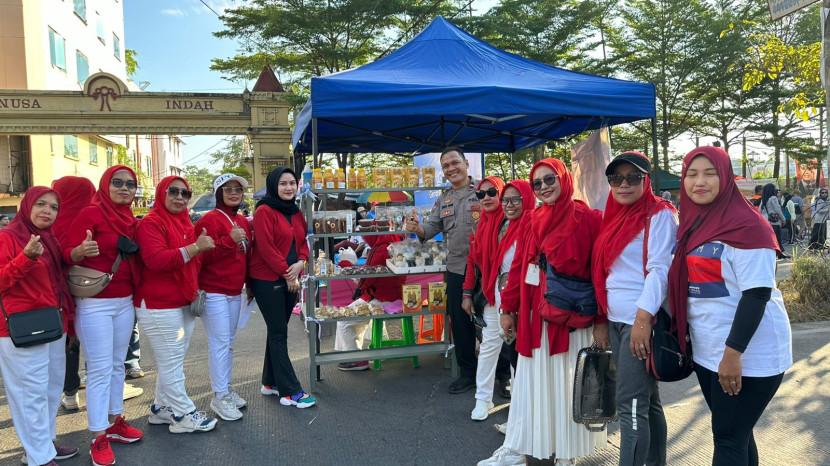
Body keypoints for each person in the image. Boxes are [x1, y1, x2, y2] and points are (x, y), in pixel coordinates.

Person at [479, 159, 607, 466]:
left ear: (563, 178)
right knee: (533, 384)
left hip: (573, 320)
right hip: (536, 318)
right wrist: (508, 308)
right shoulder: (532, 219)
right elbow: (519, 268)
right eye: (537, 183)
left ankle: (567, 451)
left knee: (568, 384)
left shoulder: (589, 218)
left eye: (550, 179)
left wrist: (602, 321)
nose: (544, 187)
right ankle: (523, 447)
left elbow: (600, 272)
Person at [669, 146, 792, 466]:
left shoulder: (748, 226)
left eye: (710, 173)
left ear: (725, 178)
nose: (700, 182)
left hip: (748, 353)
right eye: (692, 174)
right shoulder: (693, 223)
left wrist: (732, 355)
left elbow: (756, 295)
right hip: (708, 350)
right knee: (737, 434)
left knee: (727, 438)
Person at [592, 152, 677, 466]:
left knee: (629, 405)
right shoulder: (614, 216)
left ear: (646, 180)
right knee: (647, 401)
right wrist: (601, 319)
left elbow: (660, 270)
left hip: (639, 321)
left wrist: (643, 320)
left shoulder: (659, 214)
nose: (624, 184)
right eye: (616, 178)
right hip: (616, 318)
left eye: (633, 177)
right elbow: (606, 273)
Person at [60, 167, 144, 465]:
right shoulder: (91, 213)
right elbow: (66, 252)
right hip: (94, 303)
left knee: (117, 365)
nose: (124, 188)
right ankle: (98, 435)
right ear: (105, 185)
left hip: (124, 301)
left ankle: (115, 420)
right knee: (99, 369)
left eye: (130, 184)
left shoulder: (130, 219)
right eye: (117, 183)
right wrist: (80, 251)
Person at [0, 186, 79, 466]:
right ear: (27, 205)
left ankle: (43, 444)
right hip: (20, 328)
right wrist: (26, 257)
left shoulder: (49, 238)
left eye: (54, 207)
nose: (47, 211)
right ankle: (38, 456)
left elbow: (57, 281)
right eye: (41, 204)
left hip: (52, 323)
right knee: (29, 394)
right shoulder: (8, 237)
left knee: (50, 389)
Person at [135, 176, 219, 433]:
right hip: (159, 304)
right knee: (172, 361)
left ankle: (161, 408)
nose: (180, 197)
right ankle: (184, 414)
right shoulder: (151, 223)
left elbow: (195, 260)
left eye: (185, 193)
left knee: (173, 360)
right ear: (162, 193)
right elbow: (156, 260)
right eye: (173, 191)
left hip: (182, 300)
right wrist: (195, 248)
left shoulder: (184, 223)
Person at [405, 147, 481, 394]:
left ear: (466, 163)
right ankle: (468, 373)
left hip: (485, 269)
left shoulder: (484, 190)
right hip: (457, 269)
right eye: (446, 166)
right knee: (460, 323)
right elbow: (429, 229)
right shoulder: (444, 199)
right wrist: (416, 227)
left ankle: (502, 374)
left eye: (454, 163)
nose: (451, 168)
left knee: (491, 322)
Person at [249, 167, 316, 408]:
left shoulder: (295, 212)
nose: (288, 188)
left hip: (292, 276)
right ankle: (290, 391)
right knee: (279, 333)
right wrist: (289, 274)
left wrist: (301, 262)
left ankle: (270, 382)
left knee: (277, 330)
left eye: (292, 183)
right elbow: (266, 248)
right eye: (283, 183)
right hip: (268, 279)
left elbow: (303, 242)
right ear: (273, 185)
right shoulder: (264, 211)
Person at [194, 173, 252, 421]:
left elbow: (247, 255)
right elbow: (201, 256)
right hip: (213, 291)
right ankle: (219, 396)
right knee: (219, 343)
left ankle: (226, 390)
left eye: (238, 189)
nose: (234, 193)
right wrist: (228, 240)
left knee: (228, 343)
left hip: (235, 291)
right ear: (218, 193)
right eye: (228, 189)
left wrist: (249, 284)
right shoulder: (209, 219)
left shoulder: (242, 220)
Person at [462, 176, 514, 420]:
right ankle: (483, 398)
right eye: (480, 194)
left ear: (501, 193)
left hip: (514, 294)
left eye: (492, 192)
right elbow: (472, 262)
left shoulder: (512, 221)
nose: (486, 197)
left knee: (517, 350)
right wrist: (467, 294)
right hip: (491, 295)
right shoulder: (478, 226)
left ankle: (519, 402)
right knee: (489, 346)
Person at [487, 179, 535, 431]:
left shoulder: (531, 227)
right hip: (509, 302)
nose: (509, 205)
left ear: (528, 198)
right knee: (516, 362)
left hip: (524, 306)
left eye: (516, 199)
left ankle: (524, 424)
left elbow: (524, 270)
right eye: (506, 200)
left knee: (523, 365)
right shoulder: (509, 227)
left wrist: (511, 307)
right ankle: (519, 420)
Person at [51, 176, 95, 413]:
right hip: (95, 290)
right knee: (98, 345)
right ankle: (101, 392)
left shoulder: (52, 222)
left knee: (69, 342)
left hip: (61, 294)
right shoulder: (94, 217)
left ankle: (70, 393)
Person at [334, 233, 405, 371]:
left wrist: (347, 266)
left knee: (343, 319)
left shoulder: (381, 249)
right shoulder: (395, 242)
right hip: (395, 297)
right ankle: (362, 351)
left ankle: (354, 359)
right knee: (356, 315)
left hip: (381, 299)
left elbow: (365, 281)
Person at [760, 184, 788, 258]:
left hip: (766, 222)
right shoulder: (773, 198)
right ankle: (779, 254)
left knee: (771, 239)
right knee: (777, 238)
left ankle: (776, 254)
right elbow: (778, 209)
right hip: (774, 221)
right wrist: (783, 219)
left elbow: (760, 211)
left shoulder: (763, 200)